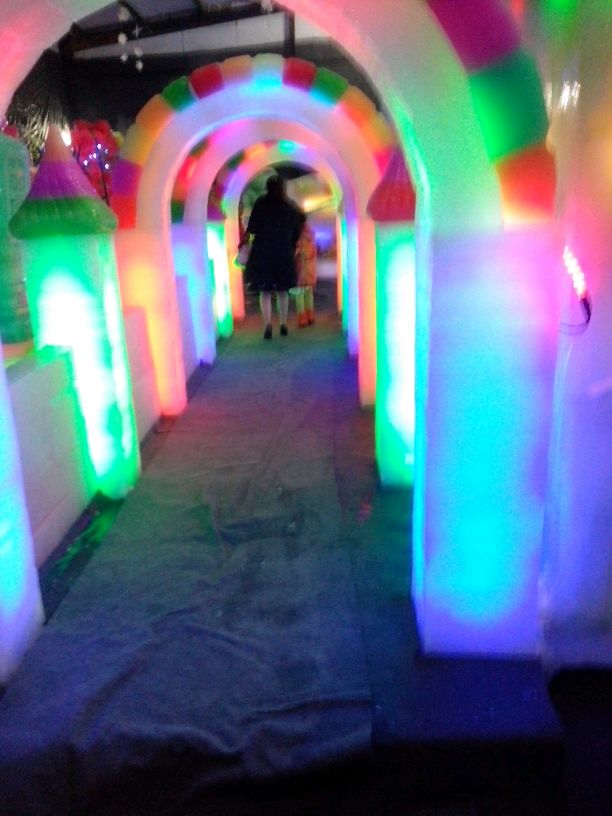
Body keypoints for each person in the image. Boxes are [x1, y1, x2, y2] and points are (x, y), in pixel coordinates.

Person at [240, 174, 302, 339]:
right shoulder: (288, 206)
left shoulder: (261, 203)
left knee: (265, 291)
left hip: (263, 254)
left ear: (267, 187)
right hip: (283, 254)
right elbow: (296, 232)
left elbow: (252, 228)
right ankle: (283, 324)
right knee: (282, 291)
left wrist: (247, 242)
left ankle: (267, 324)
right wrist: (291, 245)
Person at [294, 213, 317, 328]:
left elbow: (296, 252)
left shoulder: (297, 235)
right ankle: (310, 315)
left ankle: (302, 318)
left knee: (299, 293)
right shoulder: (310, 234)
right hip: (310, 268)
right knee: (309, 292)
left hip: (300, 267)